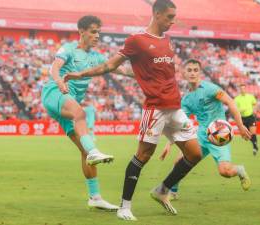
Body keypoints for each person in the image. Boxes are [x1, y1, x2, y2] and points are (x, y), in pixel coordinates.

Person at [64, 0, 206, 221]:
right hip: (155, 109)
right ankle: (125, 206)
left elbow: (165, 74)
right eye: (169, 16)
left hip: (175, 108)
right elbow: (109, 66)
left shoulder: (168, 41)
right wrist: (80, 74)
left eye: (174, 17)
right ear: (157, 14)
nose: (172, 21)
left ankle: (161, 190)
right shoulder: (137, 41)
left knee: (195, 154)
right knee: (143, 155)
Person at [41, 15, 130, 211]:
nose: (97, 35)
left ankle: (95, 197)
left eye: (99, 32)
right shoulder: (69, 49)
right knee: (81, 114)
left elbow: (118, 69)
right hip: (54, 92)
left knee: (83, 147)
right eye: (93, 31)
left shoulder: (97, 57)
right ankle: (94, 151)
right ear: (81, 31)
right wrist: (59, 82)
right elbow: (54, 68)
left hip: (69, 102)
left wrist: (145, 72)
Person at [159, 59, 252, 200]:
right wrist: (169, 143)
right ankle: (173, 192)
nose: (192, 73)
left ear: (200, 72)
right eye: (189, 70)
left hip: (220, 134)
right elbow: (179, 122)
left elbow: (230, 102)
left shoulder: (210, 89)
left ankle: (239, 170)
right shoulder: (187, 99)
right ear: (183, 73)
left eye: (195, 70)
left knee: (225, 172)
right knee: (179, 161)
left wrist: (240, 126)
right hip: (202, 135)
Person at [234, 84, 259, 155]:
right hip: (242, 118)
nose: (242, 90)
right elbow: (235, 109)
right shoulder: (236, 99)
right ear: (239, 90)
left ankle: (255, 147)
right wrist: (239, 110)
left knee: (253, 133)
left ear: (245, 89)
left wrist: (255, 110)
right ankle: (254, 143)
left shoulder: (250, 96)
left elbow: (255, 104)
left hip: (250, 117)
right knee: (246, 136)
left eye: (244, 88)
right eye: (241, 89)